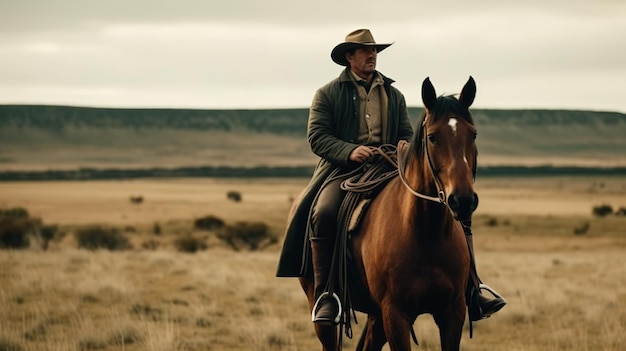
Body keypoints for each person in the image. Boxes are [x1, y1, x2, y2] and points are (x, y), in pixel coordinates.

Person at [275, 28, 505, 326]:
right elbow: (317, 137)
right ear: (349, 57)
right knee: (324, 210)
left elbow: (406, 134)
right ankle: (326, 294)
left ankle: (473, 287)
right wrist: (350, 151)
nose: (372, 56)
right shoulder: (328, 94)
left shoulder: (393, 94)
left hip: (388, 166)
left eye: (375, 51)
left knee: (454, 206)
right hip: (342, 170)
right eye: (365, 51)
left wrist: (403, 147)